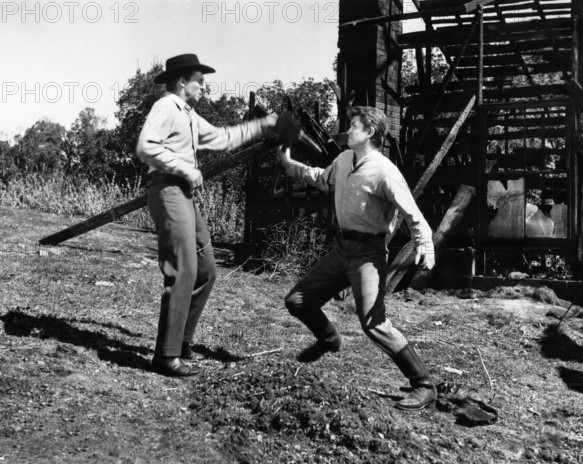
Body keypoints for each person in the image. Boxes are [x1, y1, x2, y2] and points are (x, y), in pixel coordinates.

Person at [277, 106, 437, 410]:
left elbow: (411, 212)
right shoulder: (344, 159)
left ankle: (424, 385)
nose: (347, 130)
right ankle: (329, 339)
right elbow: (321, 179)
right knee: (297, 301)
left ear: (370, 133)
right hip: (342, 250)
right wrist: (289, 164)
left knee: (373, 323)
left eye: (353, 126)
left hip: (368, 253)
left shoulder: (383, 170)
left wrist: (424, 243)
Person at [137, 54, 277, 376]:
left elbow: (224, 138)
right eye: (199, 80)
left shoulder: (188, 114)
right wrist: (185, 167)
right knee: (184, 270)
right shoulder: (166, 107)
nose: (204, 85)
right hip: (168, 190)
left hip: (182, 194)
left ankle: (182, 344)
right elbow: (146, 147)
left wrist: (265, 125)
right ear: (182, 81)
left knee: (206, 270)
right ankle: (166, 356)